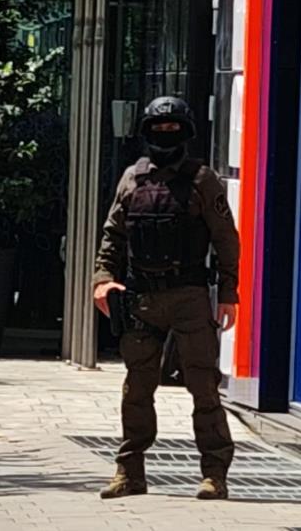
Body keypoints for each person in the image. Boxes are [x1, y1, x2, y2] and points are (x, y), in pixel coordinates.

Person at [92, 96, 240, 500]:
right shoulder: (132, 179)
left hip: (189, 297)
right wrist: (102, 279)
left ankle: (215, 475)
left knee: (203, 386)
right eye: (158, 128)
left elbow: (226, 240)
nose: (165, 134)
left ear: (186, 132)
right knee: (136, 389)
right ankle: (129, 472)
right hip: (141, 298)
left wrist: (229, 293)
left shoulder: (203, 181)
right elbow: (113, 235)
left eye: (173, 127)